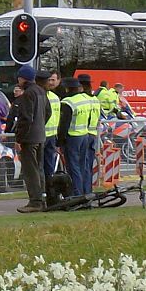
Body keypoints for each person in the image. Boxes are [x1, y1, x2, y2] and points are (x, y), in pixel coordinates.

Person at [14, 66, 50, 213]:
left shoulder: (28, 94)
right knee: (39, 169)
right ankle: (42, 198)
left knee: (30, 171)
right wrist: (40, 125)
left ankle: (35, 202)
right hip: (41, 135)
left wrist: (19, 138)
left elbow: (25, 119)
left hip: (29, 138)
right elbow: (48, 112)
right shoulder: (41, 91)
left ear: (23, 78)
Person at [58, 77, 89, 198]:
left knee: (73, 167)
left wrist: (60, 141)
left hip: (73, 137)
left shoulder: (67, 102)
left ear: (66, 88)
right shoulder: (84, 99)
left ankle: (76, 194)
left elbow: (64, 123)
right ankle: (84, 192)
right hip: (84, 134)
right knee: (82, 166)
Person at [43, 71, 61, 204]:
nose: (50, 82)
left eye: (53, 80)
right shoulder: (55, 97)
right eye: (49, 80)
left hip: (44, 135)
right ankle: (50, 193)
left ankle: (45, 192)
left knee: (41, 166)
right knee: (49, 166)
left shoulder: (49, 97)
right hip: (52, 136)